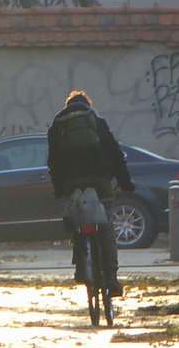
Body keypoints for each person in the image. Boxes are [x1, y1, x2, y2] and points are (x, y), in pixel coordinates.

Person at [47, 90, 135, 295]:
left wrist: (60, 190)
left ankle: (80, 268)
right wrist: (125, 182)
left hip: (71, 181)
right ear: (88, 105)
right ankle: (111, 277)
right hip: (99, 179)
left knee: (76, 220)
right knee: (104, 223)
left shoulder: (57, 127)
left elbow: (53, 162)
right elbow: (115, 153)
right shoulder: (97, 122)